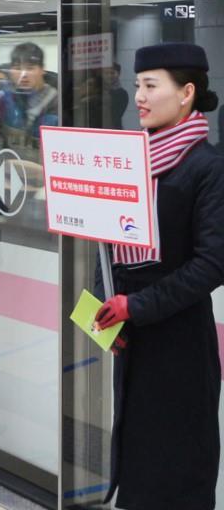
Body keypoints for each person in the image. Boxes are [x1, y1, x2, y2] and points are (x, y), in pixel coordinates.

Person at [94, 43, 224, 510]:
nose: (140, 97)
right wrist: (102, 310)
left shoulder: (205, 168)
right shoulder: (131, 161)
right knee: (137, 448)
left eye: (151, 86)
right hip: (133, 332)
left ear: (187, 93)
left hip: (180, 340)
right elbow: (106, 242)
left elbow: (213, 263)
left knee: (180, 454)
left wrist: (139, 306)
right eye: (137, 86)